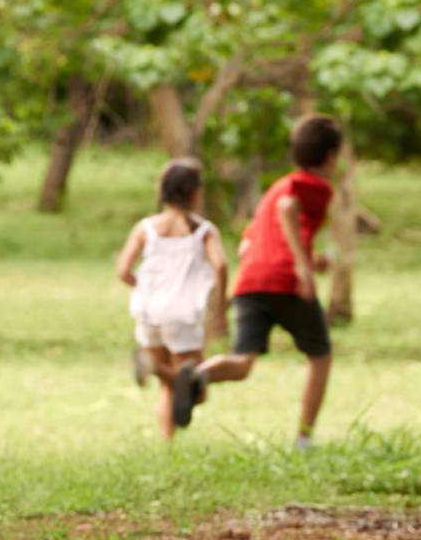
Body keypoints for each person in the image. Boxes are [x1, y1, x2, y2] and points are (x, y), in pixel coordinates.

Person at [171, 115, 343, 452]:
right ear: (331, 156)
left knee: (243, 363)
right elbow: (287, 208)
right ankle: (304, 439)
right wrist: (302, 268)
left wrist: (308, 259)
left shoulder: (275, 187)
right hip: (286, 282)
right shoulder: (313, 186)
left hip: (250, 281)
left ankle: (199, 375)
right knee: (320, 357)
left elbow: (247, 244)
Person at [116, 159, 228, 440]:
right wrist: (221, 306)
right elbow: (222, 265)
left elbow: (123, 270)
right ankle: (155, 370)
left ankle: (168, 444)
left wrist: (141, 287)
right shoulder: (203, 231)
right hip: (183, 316)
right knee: (197, 390)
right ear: (194, 192)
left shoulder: (146, 228)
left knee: (170, 387)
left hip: (148, 313)